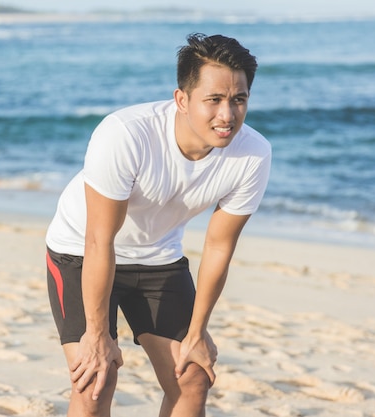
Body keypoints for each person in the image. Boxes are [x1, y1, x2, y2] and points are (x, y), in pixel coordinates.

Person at [45, 33, 271, 417]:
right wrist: (98, 336)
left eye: (239, 99)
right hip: (81, 252)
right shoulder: (127, 134)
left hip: (158, 257)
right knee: (96, 380)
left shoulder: (252, 153)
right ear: (182, 99)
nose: (227, 115)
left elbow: (218, 247)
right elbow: (100, 240)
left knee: (192, 377)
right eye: (214, 100)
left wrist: (197, 331)